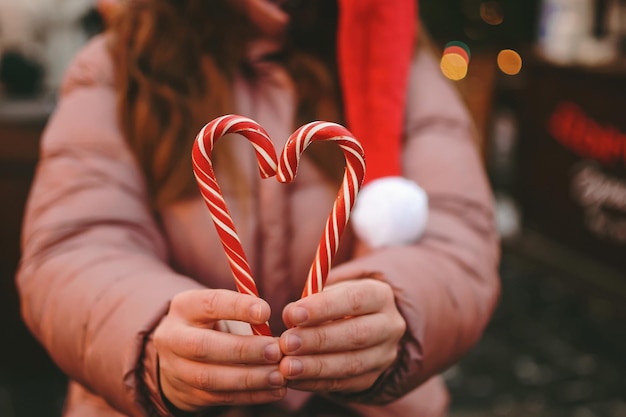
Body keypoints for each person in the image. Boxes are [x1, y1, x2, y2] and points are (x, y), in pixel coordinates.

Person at [16, 0, 501, 416]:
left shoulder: (395, 58)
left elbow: (458, 237)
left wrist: (398, 307)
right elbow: (74, 245)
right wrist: (151, 338)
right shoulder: (115, 66)